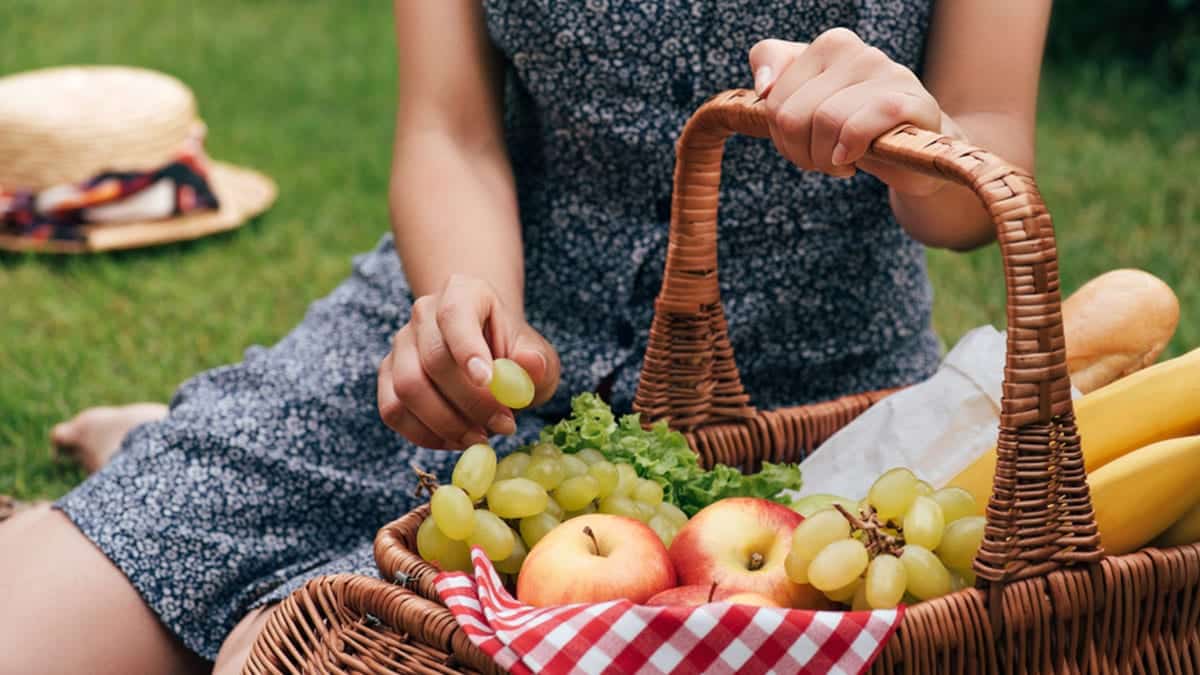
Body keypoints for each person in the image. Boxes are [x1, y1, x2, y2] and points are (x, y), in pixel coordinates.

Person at [0, 2, 1051, 673]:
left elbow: (976, 174)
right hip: (451, 346)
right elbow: (449, 130)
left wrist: (914, 139)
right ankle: (169, 452)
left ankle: (164, 456)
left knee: (280, 658)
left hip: (784, 418)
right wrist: (468, 309)